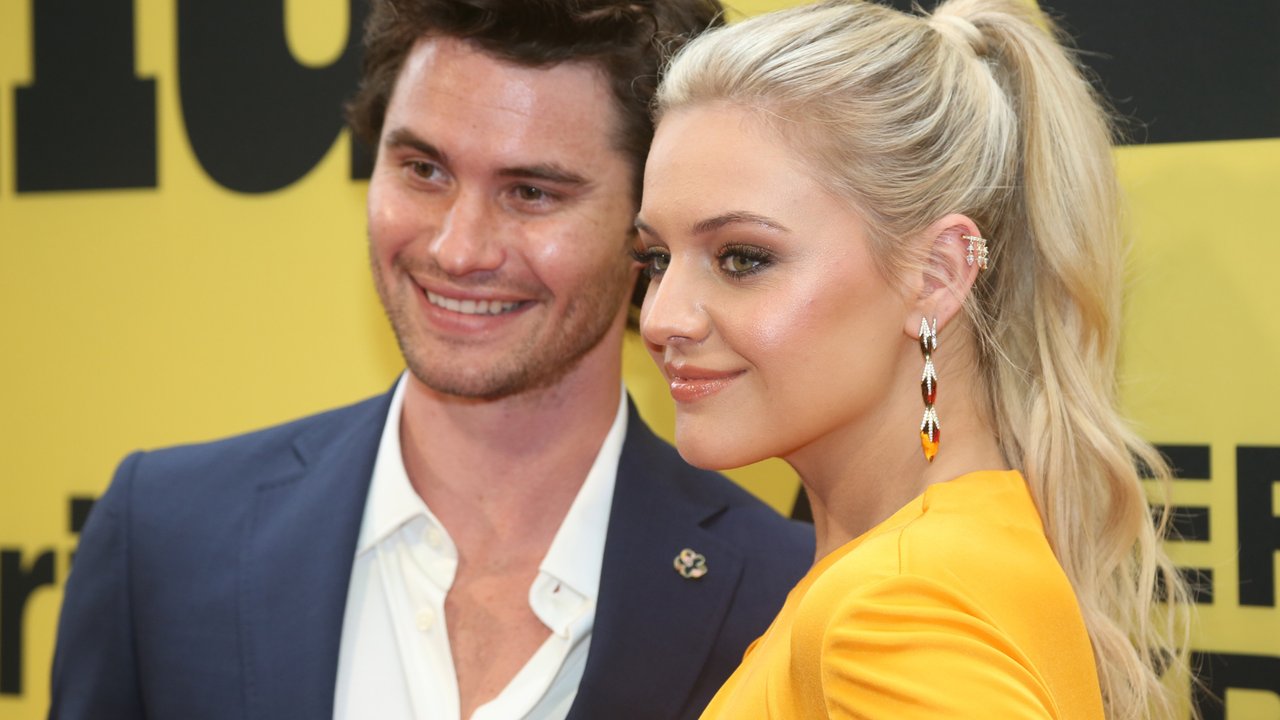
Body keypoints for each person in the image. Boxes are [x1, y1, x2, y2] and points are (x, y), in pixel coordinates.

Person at [48, 2, 814, 719]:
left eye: (531, 193)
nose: (457, 248)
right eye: (424, 170)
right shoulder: (163, 540)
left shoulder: (791, 595)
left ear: (648, 230)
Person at [633, 0, 1194, 718]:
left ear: (935, 275)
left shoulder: (898, 609)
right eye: (654, 257)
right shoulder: (947, 556)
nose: (661, 318)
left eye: (742, 258)